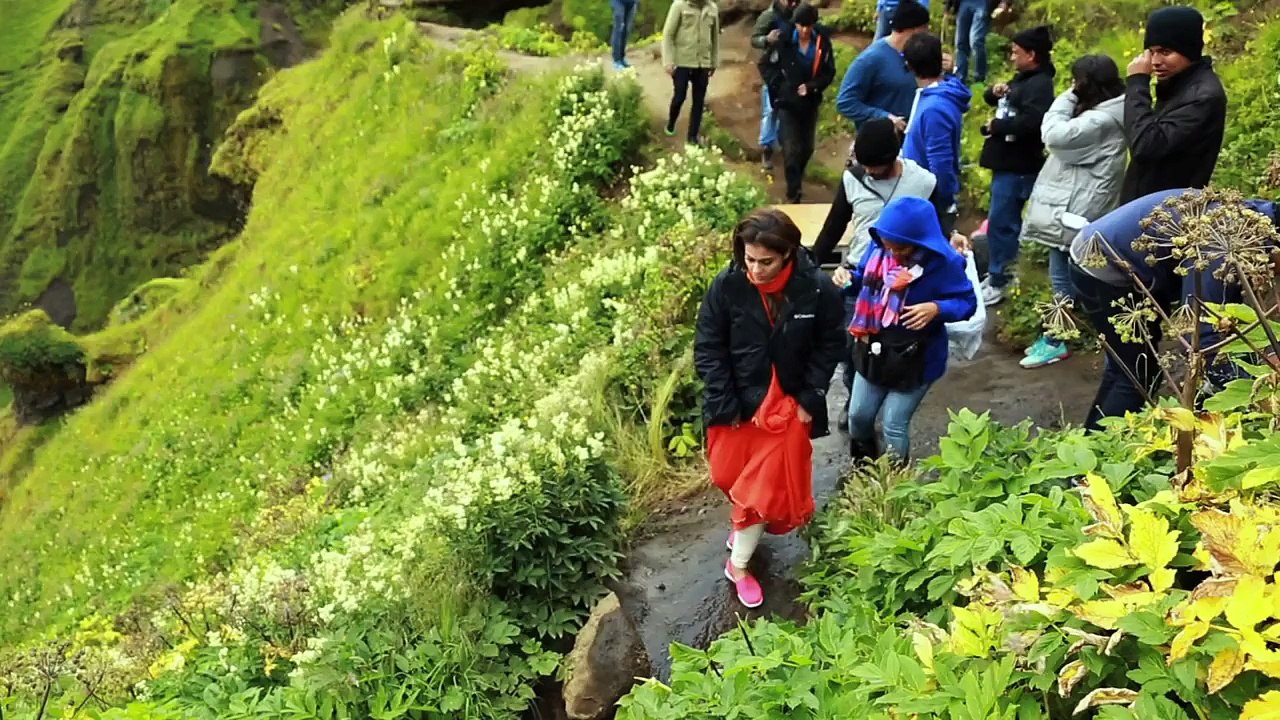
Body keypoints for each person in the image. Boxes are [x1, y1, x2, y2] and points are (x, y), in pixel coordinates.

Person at [694, 208, 845, 608]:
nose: (756, 270)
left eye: (767, 262)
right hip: (739, 406)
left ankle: (739, 566)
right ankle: (745, 523)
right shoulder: (726, 287)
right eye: (749, 260)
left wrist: (810, 398)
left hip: (788, 410)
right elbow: (709, 346)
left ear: (789, 254)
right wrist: (724, 404)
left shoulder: (816, 289)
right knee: (729, 477)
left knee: (761, 494)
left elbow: (831, 343)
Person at [1068, 189, 1278, 430]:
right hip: (1100, 264)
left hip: (1123, 256)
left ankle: (1092, 441)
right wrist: (1255, 386)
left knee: (1127, 370)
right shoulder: (1224, 243)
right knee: (1136, 374)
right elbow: (1199, 336)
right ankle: (1097, 449)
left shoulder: (1260, 216)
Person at [812, 119, 937, 430]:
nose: (868, 172)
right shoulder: (852, 179)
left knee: (895, 344)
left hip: (904, 279)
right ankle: (856, 402)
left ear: (892, 158)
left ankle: (886, 400)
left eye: (874, 167)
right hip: (859, 278)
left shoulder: (922, 182)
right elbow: (834, 226)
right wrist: (810, 264)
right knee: (855, 346)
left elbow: (937, 224)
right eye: (863, 165)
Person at [835, 196, 977, 463]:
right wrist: (847, 279)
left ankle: (895, 484)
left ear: (922, 241)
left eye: (902, 249)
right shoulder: (879, 250)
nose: (894, 255)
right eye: (889, 247)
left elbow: (967, 303)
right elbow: (862, 280)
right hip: (875, 348)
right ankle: (864, 470)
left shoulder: (945, 264)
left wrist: (937, 308)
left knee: (893, 424)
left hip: (917, 356)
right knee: (858, 417)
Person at [1019, 54, 1127, 370]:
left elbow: (1054, 136)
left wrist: (1069, 95)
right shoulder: (1112, 110)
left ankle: (1056, 340)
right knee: (1071, 276)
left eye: (1076, 81)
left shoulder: (1101, 120)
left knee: (1064, 279)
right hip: (1079, 201)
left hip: (1077, 207)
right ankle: (1061, 334)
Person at [977, 25, 1055, 306]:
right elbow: (1003, 102)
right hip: (1006, 162)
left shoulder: (1040, 85)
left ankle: (1003, 279)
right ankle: (1001, 273)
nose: (1011, 57)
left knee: (1003, 222)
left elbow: (1033, 122)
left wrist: (997, 126)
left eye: (1015, 52)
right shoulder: (1023, 79)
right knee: (1001, 221)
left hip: (1019, 165)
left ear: (1032, 54)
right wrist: (994, 93)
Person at [1120, 6, 1227, 203]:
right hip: (1148, 206)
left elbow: (1145, 145)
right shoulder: (1178, 86)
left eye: (1165, 52)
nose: (1155, 61)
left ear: (1189, 50)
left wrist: (1137, 83)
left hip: (1168, 214)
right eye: (1151, 53)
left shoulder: (1202, 96)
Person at [759, 4, 836, 203]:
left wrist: (812, 87)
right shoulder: (783, 40)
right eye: (801, 26)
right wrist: (779, 89)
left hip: (810, 102)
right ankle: (793, 192)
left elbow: (829, 72)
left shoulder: (822, 43)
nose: (804, 30)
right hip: (787, 102)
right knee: (791, 148)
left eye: (808, 26)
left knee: (807, 148)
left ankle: (797, 178)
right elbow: (765, 65)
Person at [901, 32, 971, 236]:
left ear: (910, 66)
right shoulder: (936, 93)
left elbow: (940, 162)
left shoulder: (934, 108)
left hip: (929, 204)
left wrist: (944, 204)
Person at [835, 0, 931, 131]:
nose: (927, 34)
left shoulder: (916, 54)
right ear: (912, 30)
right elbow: (845, 102)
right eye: (924, 29)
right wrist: (885, 117)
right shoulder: (870, 59)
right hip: (881, 141)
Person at [662, 0, 720, 145]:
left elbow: (715, 38)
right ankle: (671, 122)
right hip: (682, 60)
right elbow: (668, 34)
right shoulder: (679, 6)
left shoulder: (712, 8)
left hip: (703, 62)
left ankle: (692, 137)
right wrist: (668, 61)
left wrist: (713, 61)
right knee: (679, 96)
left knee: (699, 101)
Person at [751, 0, 800, 171]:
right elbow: (754, 39)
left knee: (788, 109)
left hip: (793, 69)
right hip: (773, 69)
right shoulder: (769, 16)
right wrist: (767, 39)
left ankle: (784, 145)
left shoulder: (798, 14)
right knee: (771, 110)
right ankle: (767, 148)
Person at [946, 0, 1009, 86]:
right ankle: (959, 78)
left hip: (982, 3)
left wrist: (1004, 2)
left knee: (976, 41)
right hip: (963, 3)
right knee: (961, 43)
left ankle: (979, 78)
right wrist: (948, 5)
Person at [611, 0, 638, 70]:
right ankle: (616, 60)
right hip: (618, 2)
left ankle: (622, 58)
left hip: (632, 2)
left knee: (626, 30)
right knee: (618, 28)